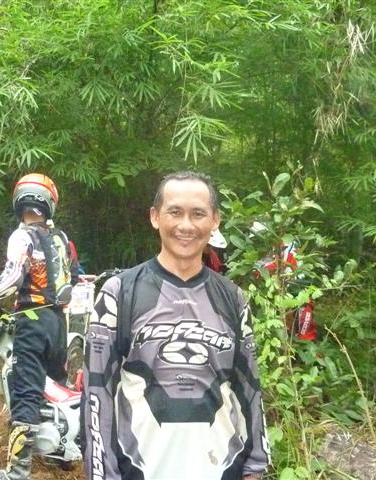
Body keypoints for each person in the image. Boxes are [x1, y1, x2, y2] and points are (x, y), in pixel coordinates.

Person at [82, 171, 269, 480]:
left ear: (215, 220)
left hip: (221, 470)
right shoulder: (118, 293)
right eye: (175, 212)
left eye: (198, 214)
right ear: (155, 217)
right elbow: (96, 391)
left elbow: (249, 387)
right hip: (140, 470)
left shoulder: (233, 299)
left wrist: (255, 467)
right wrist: (101, 474)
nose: (186, 225)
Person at [0, 173, 78, 480]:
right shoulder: (60, 237)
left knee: (26, 391)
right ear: (50, 203)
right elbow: (73, 275)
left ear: (18, 201)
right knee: (54, 385)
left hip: (32, 321)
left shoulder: (22, 236)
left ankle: (16, 472)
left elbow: (13, 275)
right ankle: (59, 451)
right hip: (57, 322)